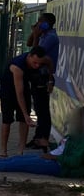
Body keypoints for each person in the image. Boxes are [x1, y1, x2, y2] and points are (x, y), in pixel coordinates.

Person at [0, 107, 84, 178]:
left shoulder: (81, 139)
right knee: (16, 159)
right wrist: (48, 144)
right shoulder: (75, 135)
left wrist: (54, 157)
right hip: (53, 159)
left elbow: (74, 162)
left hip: (59, 166)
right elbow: (65, 148)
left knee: (17, 164)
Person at [0, 46, 52, 157]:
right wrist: (26, 115)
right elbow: (19, 93)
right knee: (7, 120)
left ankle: (21, 149)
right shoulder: (17, 66)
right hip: (8, 90)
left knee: (23, 121)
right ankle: (3, 150)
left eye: (40, 64)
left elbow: (49, 62)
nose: (37, 66)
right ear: (29, 56)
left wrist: (50, 80)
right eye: (35, 63)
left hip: (24, 85)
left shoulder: (42, 60)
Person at [25, 12, 59, 151]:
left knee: (43, 109)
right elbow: (28, 43)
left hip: (43, 76)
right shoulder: (44, 35)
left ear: (46, 24)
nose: (38, 23)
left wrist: (37, 36)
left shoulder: (50, 37)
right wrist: (34, 34)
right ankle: (38, 137)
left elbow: (34, 53)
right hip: (37, 75)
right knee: (39, 108)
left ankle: (42, 138)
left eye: (40, 21)